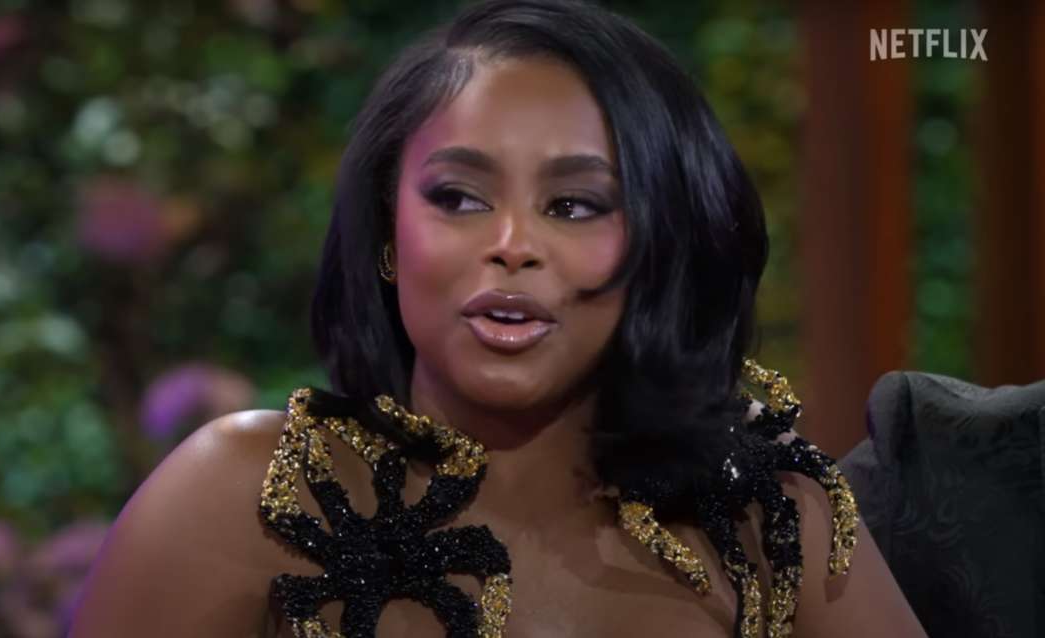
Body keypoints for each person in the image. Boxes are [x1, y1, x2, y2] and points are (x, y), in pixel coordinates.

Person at [68, 1, 928, 636]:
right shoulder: (244, 496)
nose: (512, 245)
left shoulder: (768, 519)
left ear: (661, 246)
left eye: (575, 205)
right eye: (458, 197)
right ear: (387, 236)